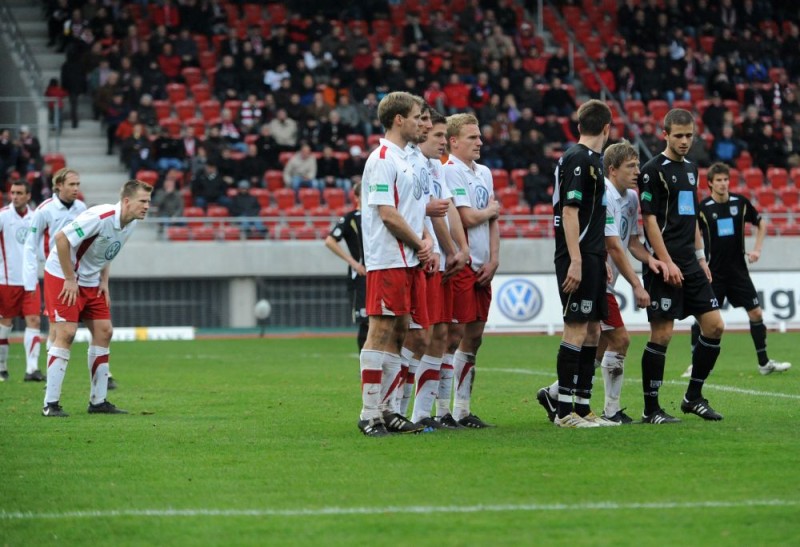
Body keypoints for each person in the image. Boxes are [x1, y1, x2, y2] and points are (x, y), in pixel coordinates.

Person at [537, 141, 666, 425]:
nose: (637, 172)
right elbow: (613, 244)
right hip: (596, 276)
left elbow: (631, 242)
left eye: (637, 165)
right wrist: (636, 284)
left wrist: (651, 260)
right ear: (612, 169)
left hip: (604, 277)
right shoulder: (604, 193)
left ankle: (557, 393)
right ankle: (610, 409)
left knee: (595, 339)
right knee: (619, 340)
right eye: (630, 166)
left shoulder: (631, 199)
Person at [638, 108, 725, 424]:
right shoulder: (652, 170)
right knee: (662, 334)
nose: (685, 141)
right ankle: (651, 410)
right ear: (665, 134)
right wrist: (665, 261)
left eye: (689, 135)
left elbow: (692, 220)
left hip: (690, 261)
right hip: (664, 264)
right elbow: (649, 220)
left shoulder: (692, 169)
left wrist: (701, 259)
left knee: (715, 325)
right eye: (679, 136)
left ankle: (693, 397)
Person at [40, 180, 153, 417]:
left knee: (105, 331)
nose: (147, 206)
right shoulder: (100, 216)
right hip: (63, 275)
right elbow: (61, 239)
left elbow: (106, 252)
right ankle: (50, 405)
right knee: (67, 334)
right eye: (143, 201)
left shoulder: (130, 223)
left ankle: (98, 402)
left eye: (148, 202)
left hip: (91, 281)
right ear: (126, 201)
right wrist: (70, 278)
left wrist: (105, 281)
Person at [357, 91, 433, 437]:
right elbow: (387, 214)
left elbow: (414, 210)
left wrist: (426, 240)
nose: (423, 123)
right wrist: (420, 244)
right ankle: (368, 413)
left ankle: (387, 408)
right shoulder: (381, 158)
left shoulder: (408, 159)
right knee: (381, 330)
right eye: (418, 116)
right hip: (388, 257)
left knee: (401, 330)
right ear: (399, 119)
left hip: (410, 258)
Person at [682, 162, 791, 377]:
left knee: (756, 313)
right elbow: (691, 234)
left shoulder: (740, 203)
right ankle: (696, 364)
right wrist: (697, 259)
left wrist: (757, 249)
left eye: (726, 180)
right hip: (714, 273)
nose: (723, 184)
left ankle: (764, 363)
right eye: (719, 180)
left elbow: (761, 224)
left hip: (739, 272)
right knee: (702, 319)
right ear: (710, 183)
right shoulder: (703, 209)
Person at [546, 99, 613, 429]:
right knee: (575, 327)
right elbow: (570, 213)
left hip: (592, 255)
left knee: (592, 330)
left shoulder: (594, 161)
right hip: (578, 255)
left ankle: (584, 408)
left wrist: (601, 257)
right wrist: (576, 260)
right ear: (607, 129)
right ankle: (564, 413)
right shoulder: (578, 159)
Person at [440, 113, 501, 428]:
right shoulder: (449, 171)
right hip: (462, 264)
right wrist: (490, 210)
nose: (479, 142)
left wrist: (494, 259)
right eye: (472, 137)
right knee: (453, 335)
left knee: (474, 337)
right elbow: (466, 217)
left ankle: (462, 409)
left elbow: (492, 221)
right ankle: (441, 411)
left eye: (479, 136)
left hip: (483, 266)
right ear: (453, 141)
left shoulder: (485, 173)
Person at [22, 168, 88, 381]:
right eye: (71, 184)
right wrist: (30, 278)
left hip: (78, 273)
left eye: (78, 184)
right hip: (55, 273)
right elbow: (30, 245)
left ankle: (53, 374)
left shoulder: (82, 208)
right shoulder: (45, 210)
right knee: (56, 325)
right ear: (58, 185)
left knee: (64, 325)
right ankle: (50, 375)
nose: (76, 189)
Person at [0, 181, 45, 382]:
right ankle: (1, 368)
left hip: (30, 281)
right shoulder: (3, 216)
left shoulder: (36, 217)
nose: (15, 196)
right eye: (13, 193)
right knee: (5, 325)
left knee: (34, 320)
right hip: (6, 280)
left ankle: (32, 369)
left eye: (19, 193)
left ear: (28, 196)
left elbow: (42, 248)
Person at [324, 181, 368, 352]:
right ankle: (365, 367)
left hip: (379, 275)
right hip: (360, 278)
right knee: (366, 322)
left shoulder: (379, 216)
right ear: (356, 197)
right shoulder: (350, 219)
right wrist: (354, 263)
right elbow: (330, 241)